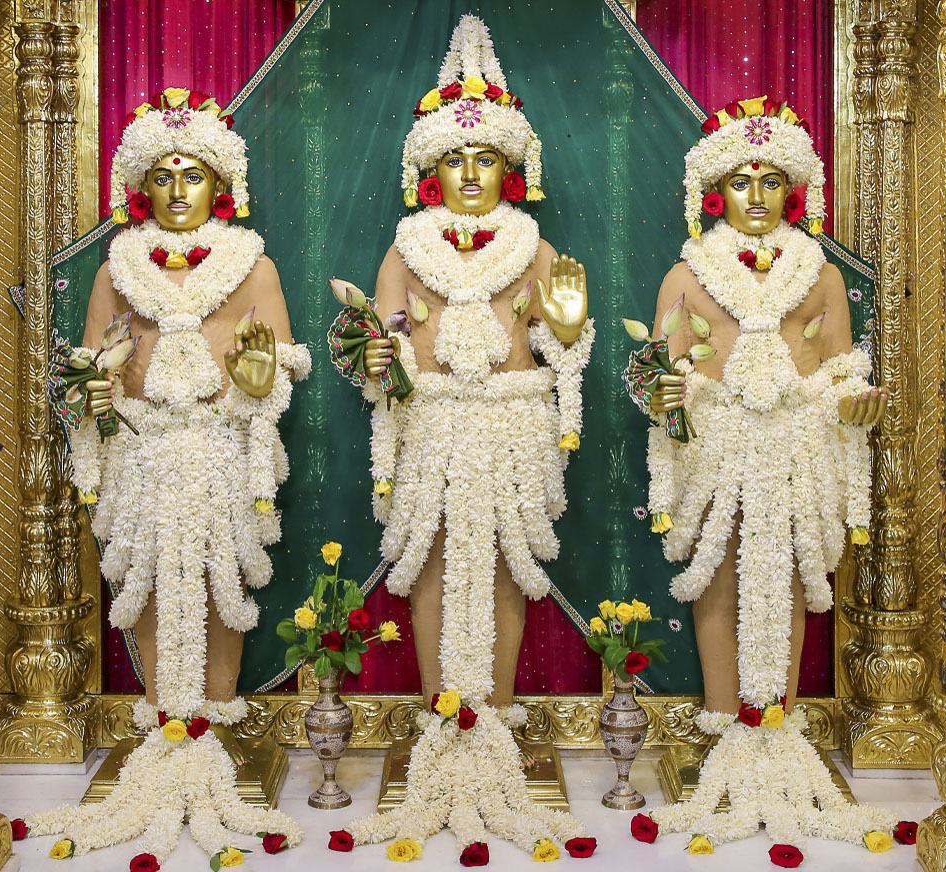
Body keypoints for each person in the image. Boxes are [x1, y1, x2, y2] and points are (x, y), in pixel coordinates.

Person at [332, 16, 595, 858]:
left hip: (512, 424)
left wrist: (567, 329)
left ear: (510, 171)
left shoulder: (534, 246)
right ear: (430, 173)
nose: (472, 173)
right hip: (434, 424)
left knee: (508, 563)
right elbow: (376, 348)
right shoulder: (406, 250)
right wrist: (377, 356)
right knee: (436, 561)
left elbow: (561, 345)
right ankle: (442, 716)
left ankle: (496, 718)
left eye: (486, 159)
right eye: (456, 159)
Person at [26, 87, 306, 863]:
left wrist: (258, 382)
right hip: (146, 449)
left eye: (193, 175)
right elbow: (92, 364)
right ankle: (163, 725)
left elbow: (284, 361)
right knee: (148, 581)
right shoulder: (117, 269)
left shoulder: (252, 265)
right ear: (141, 186)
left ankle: (213, 723)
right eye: (164, 175)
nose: (178, 189)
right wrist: (93, 391)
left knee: (219, 583)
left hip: (219, 446)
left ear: (221, 184)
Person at [635, 95, 898, 856]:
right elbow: (657, 369)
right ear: (717, 191)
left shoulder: (818, 273)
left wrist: (853, 401)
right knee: (720, 576)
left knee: (783, 576)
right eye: (741, 180)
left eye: (771, 180)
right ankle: (726, 723)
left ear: (794, 190)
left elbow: (842, 364)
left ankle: (774, 721)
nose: (756, 195)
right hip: (718, 442)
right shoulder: (689, 272)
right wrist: (664, 394)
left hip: (795, 442)